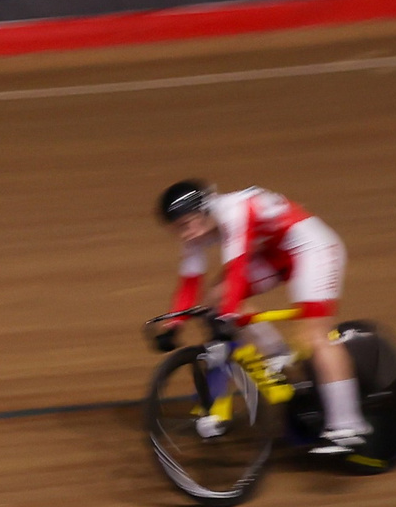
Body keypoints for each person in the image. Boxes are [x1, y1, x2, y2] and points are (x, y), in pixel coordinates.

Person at [155, 179, 368, 454]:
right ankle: (278, 354)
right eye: (177, 230)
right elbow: (189, 282)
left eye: (186, 225)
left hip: (312, 248)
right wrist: (174, 323)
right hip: (275, 252)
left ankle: (348, 425)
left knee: (315, 335)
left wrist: (230, 311)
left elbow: (238, 267)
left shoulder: (234, 211)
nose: (184, 235)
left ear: (205, 211)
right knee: (216, 301)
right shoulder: (196, 230)